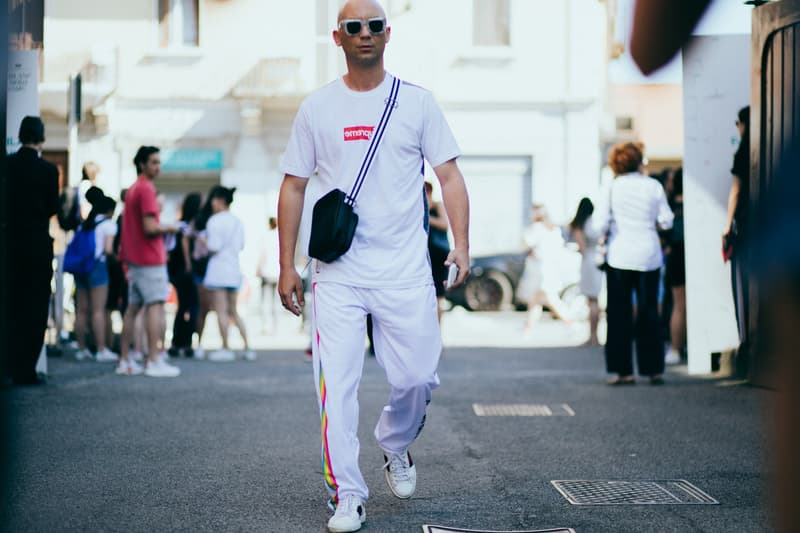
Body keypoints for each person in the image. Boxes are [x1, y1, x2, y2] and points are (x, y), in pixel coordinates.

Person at [276, 1, 470, 530]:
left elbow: (449, 177)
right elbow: (293, 186)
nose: (366, 34)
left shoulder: (417, 103)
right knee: (335, 387)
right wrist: (287, 265)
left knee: (417, 376)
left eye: (375, 26)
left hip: (405, 271)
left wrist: (461, 244)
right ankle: (347, 495)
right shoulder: (317, 108)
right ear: (337, 38)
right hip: (337, 272)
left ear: (389, 34)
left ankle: (396, 442)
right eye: (354, 27)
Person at [595, 142, 674, 385]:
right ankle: (653, 369)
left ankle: (622, 371)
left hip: (619, 255)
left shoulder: (612, 187)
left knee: (619, 314)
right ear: (639, 161)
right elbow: (667, 220)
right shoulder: (653, 186)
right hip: (649, 255)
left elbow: (599, 223)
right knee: (650, 311)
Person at [117, 146, 180, 377]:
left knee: (132, 309)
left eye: (158, 162)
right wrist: (170, 227)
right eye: (153, 162)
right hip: (150, 258)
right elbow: (150, 227)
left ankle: (125, 359)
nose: (158, 166)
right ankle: (153, 360)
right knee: (154, 306)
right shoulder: (145, 189)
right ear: (142, 164)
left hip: (135, 258)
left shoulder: (133, 189)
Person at [5, 116, 59, 385]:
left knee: (10, 303)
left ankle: (6, 367)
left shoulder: (7, 165)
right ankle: (25, 370)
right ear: (41, 137)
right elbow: (52, 208)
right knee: (36, 306)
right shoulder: (49, 171)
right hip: (37, 244)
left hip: (9, 242)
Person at [197, 186, 254, 362]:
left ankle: (225, 347)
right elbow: (241, 245)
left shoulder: (214, 221)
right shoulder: (237, 221)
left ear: (220, 200)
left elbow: (213, 246)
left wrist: (202, 239)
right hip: (234, 269)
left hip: (218, 270)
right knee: (234, 311)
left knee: (221, 311)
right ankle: (247, 347)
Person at [72, 188, 119, 363]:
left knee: (82, 310)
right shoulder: (109, 225)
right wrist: (116, 257)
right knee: (99, 310)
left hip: (81, 268)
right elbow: (108, 250)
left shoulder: (86, 223)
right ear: (109, 210)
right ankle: (101, 349)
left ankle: (82, 348)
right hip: (98, 267)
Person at [723, 106, 750, 377]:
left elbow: (736, 190)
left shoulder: (744, 151)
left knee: (743, 287)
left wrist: (727, 224)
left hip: (746, 226)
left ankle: (747, 344)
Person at [519, 204, 572, 331]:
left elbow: (524, 243)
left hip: (539, 269)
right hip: (550, 268)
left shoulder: (537, 228)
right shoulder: (554, 229)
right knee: (535, 301)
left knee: (550, 299)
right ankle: (528, 328)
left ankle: (571, 322)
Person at [168, 192, 202, 357]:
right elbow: (184, 243)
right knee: (192, 306)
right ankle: (185, 343)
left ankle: (177, 342)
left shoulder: (179, 224)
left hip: (176, 271)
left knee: (182, 307)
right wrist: (188, 263)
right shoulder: (188, 226)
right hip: (186, 271)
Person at [568, 197, 602, 346]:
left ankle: (593, 336)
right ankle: (595, 336)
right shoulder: (594, 223)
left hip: (588, 261)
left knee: (592, 301)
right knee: (596, 300)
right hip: (598, 260)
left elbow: (582, 247)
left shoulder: (579, 224)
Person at [664, 169, 685, 364]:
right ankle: (685, 346)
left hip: (675, 256)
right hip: (694, 253)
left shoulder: (670, 204)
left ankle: (675, 348)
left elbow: (665, 230)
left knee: (678, 305)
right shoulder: (695, 204)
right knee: (687, 305)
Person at [425, 181, 450, 322]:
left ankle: (437, 329)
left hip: (438, 254)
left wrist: (426, 216)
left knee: (438, 295)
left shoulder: (437, 206)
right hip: (425, 254)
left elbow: (444, 224)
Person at [256, 216, 281, 333]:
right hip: (277, 272)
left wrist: (258, 268)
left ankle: (266, 326)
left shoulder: (265, 237)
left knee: (265, 301)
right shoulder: (280, 236)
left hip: (266, 272)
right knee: (276, 301)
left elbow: (262, 254)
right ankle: (276, 326)